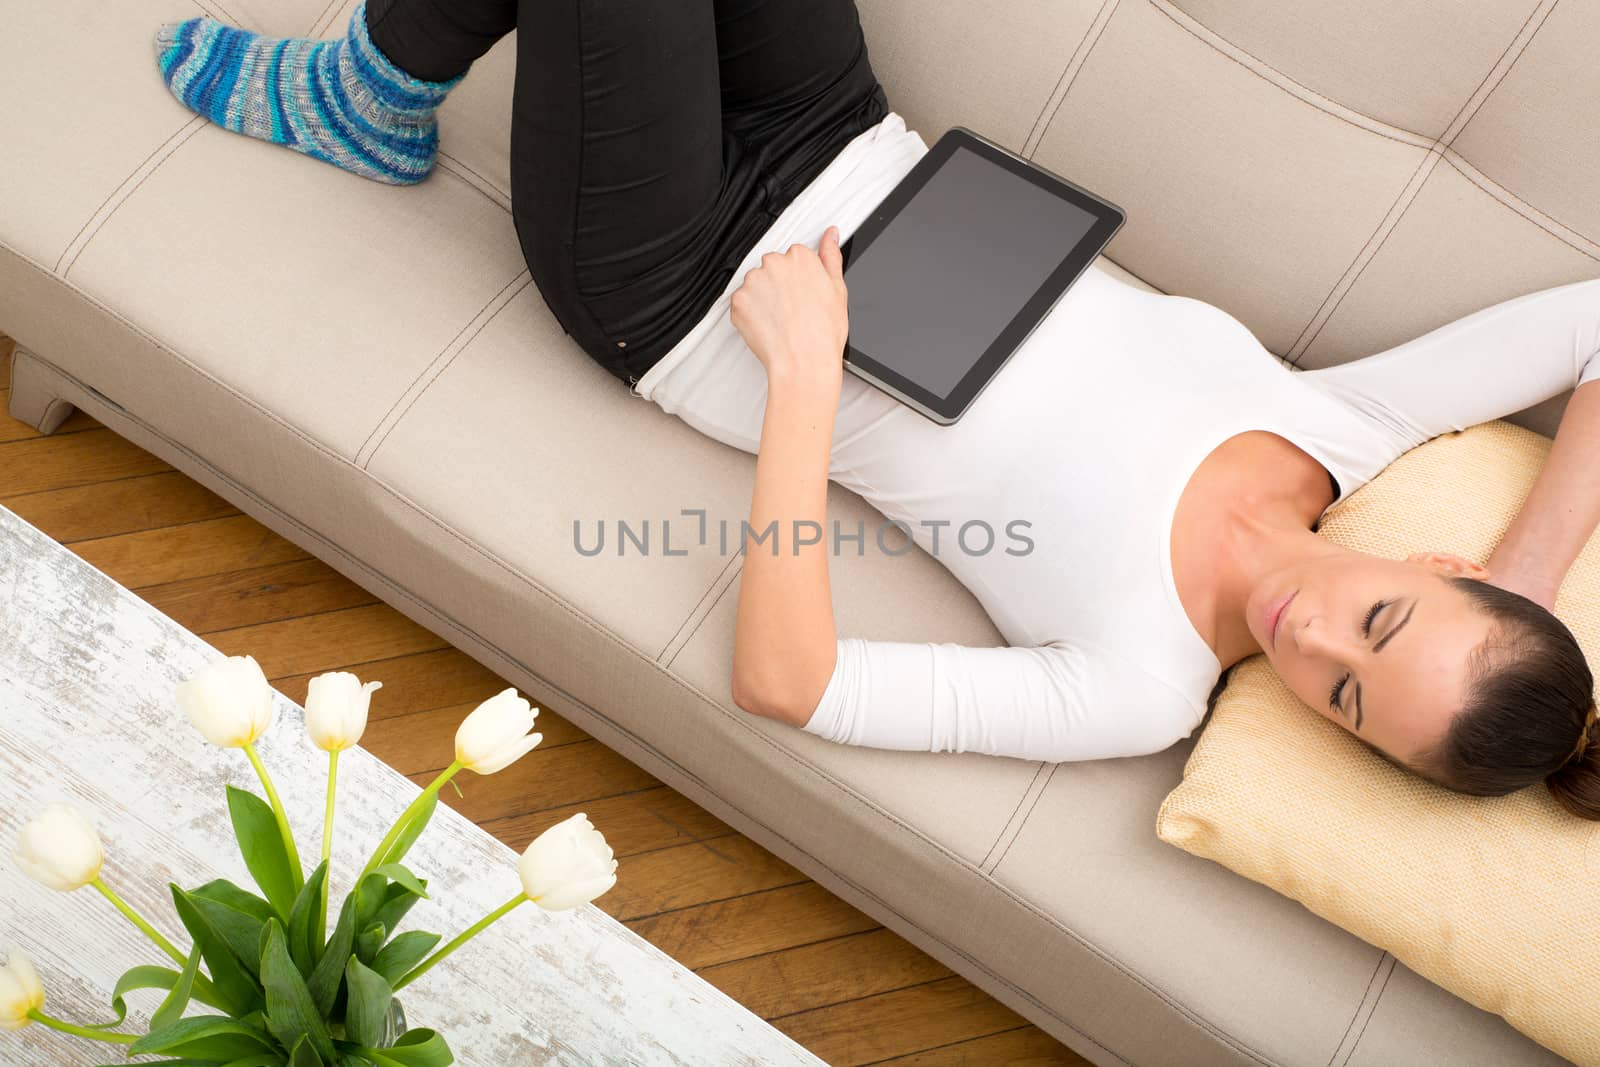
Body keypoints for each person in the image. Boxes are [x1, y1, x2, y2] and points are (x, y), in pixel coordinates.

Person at [153, 0, 1600, 820]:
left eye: (1348, 702)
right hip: (841, 134)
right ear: (1436, 566)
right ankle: (384, 78)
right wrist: (1536, 564)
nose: (1315, 642)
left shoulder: (1137, 687)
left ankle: (374, 87)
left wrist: (800, 375)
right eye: (1385, 624)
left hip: (681, 283)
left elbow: (795, 684)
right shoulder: (1350, 431)